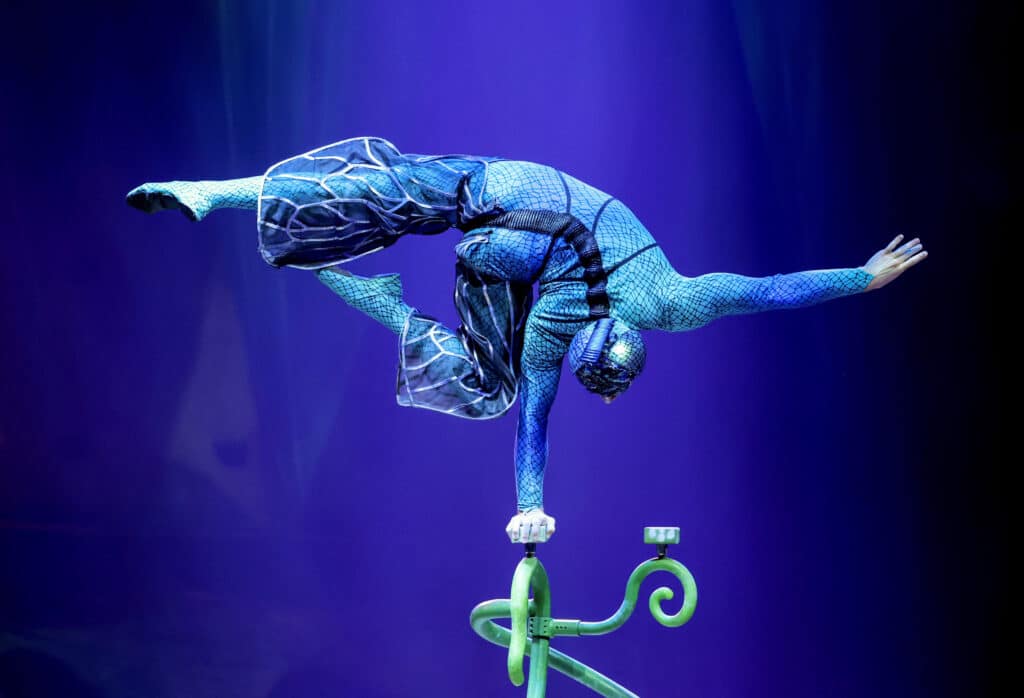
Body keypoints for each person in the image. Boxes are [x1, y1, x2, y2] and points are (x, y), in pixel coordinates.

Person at [127, 136, 927, 543]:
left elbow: (534, 426)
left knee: (392, 207)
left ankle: (241, 211)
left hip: (503, 209)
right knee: (475, 358)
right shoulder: (667, 302)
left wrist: (532, 508)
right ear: (619, 342)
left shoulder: (559, 331)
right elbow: (763, 292)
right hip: (518, 216)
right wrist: (861, 277)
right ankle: (264, 223)